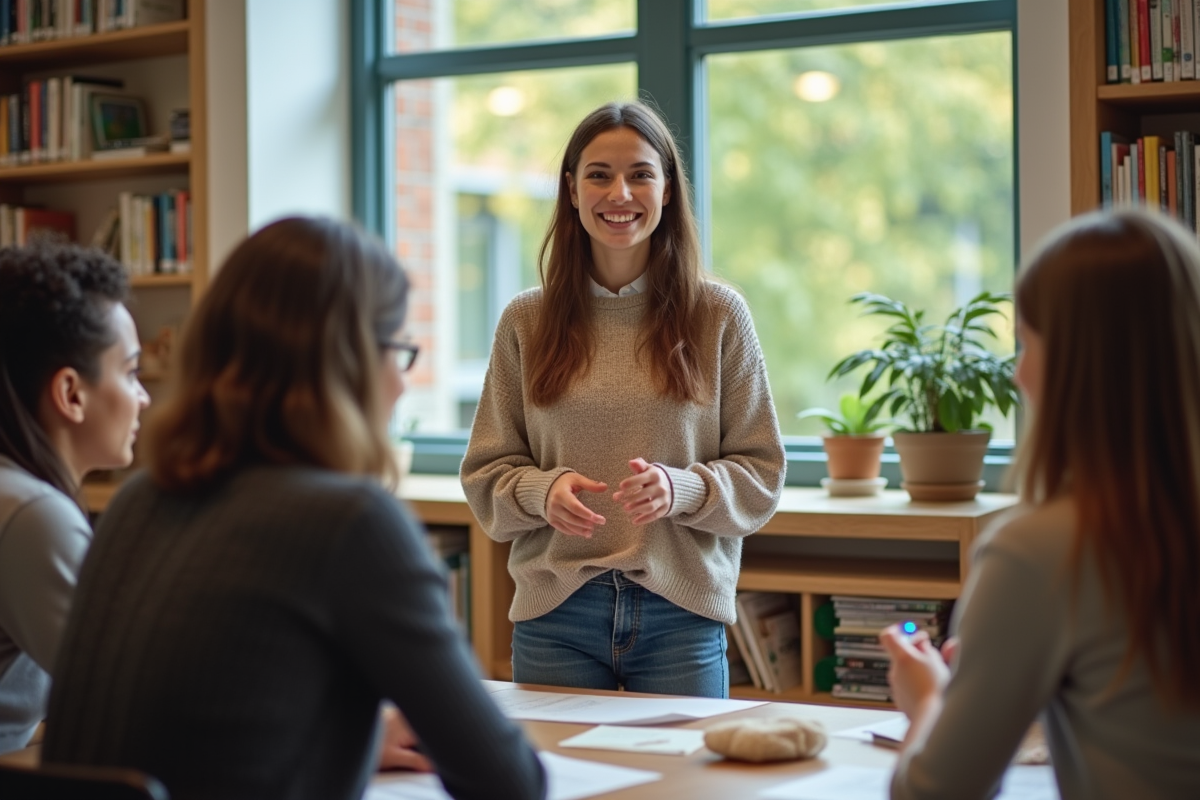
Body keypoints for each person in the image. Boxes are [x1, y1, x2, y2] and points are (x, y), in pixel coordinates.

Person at [42, 217, 545, 800]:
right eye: (400, 352)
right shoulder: (350, 524)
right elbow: (509, 782)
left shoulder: (139, 500)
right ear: (350, 360)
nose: (403, 387)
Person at [460, 101, 786, 699]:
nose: (620, 193)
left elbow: (762, 475)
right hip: (555, 613)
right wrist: (540, 492)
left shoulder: (718, 315)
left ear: (666, 190)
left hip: (681, 611)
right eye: (599, 174)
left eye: (640, 173)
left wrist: (681, 488)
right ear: (571, 189)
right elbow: (486, 473)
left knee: (683, 790)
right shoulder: (524, 321)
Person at [882, 209, 1200, 799]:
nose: (1020, 373)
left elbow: (935, 793)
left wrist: (929, 698)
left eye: (1026, 341)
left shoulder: (1040, 550)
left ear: (1079, 364)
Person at [0, 243, 149, 754]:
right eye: (130, 373)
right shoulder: (30, 515)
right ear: (71, 394)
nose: (144, 397)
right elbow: (144, 701)